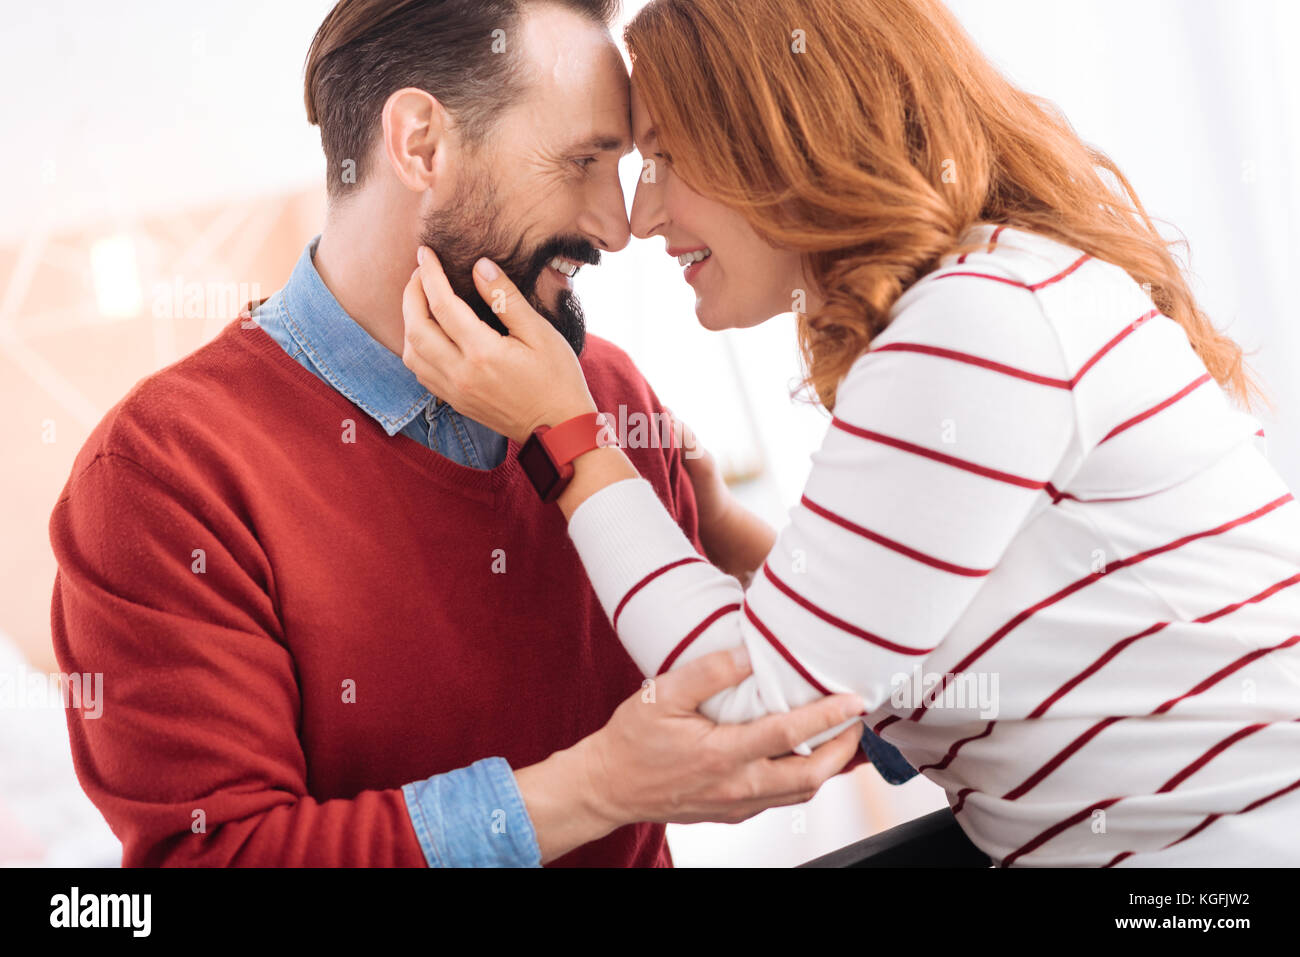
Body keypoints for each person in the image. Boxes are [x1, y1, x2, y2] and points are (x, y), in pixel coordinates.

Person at [400, 0, 1300, 866]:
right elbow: (865, 653)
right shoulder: (994, 290)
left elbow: (759, 705)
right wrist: (721, 532)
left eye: (668, 158)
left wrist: (571, 443)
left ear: (788, 136)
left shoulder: (976, 327)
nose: (642, 215)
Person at [47, 0, 869, 869]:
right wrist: (600, 785)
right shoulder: (159, 475)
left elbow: (761, 674)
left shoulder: (608, 392)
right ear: (421, 146)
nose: (618, 226)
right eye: (582, 160)